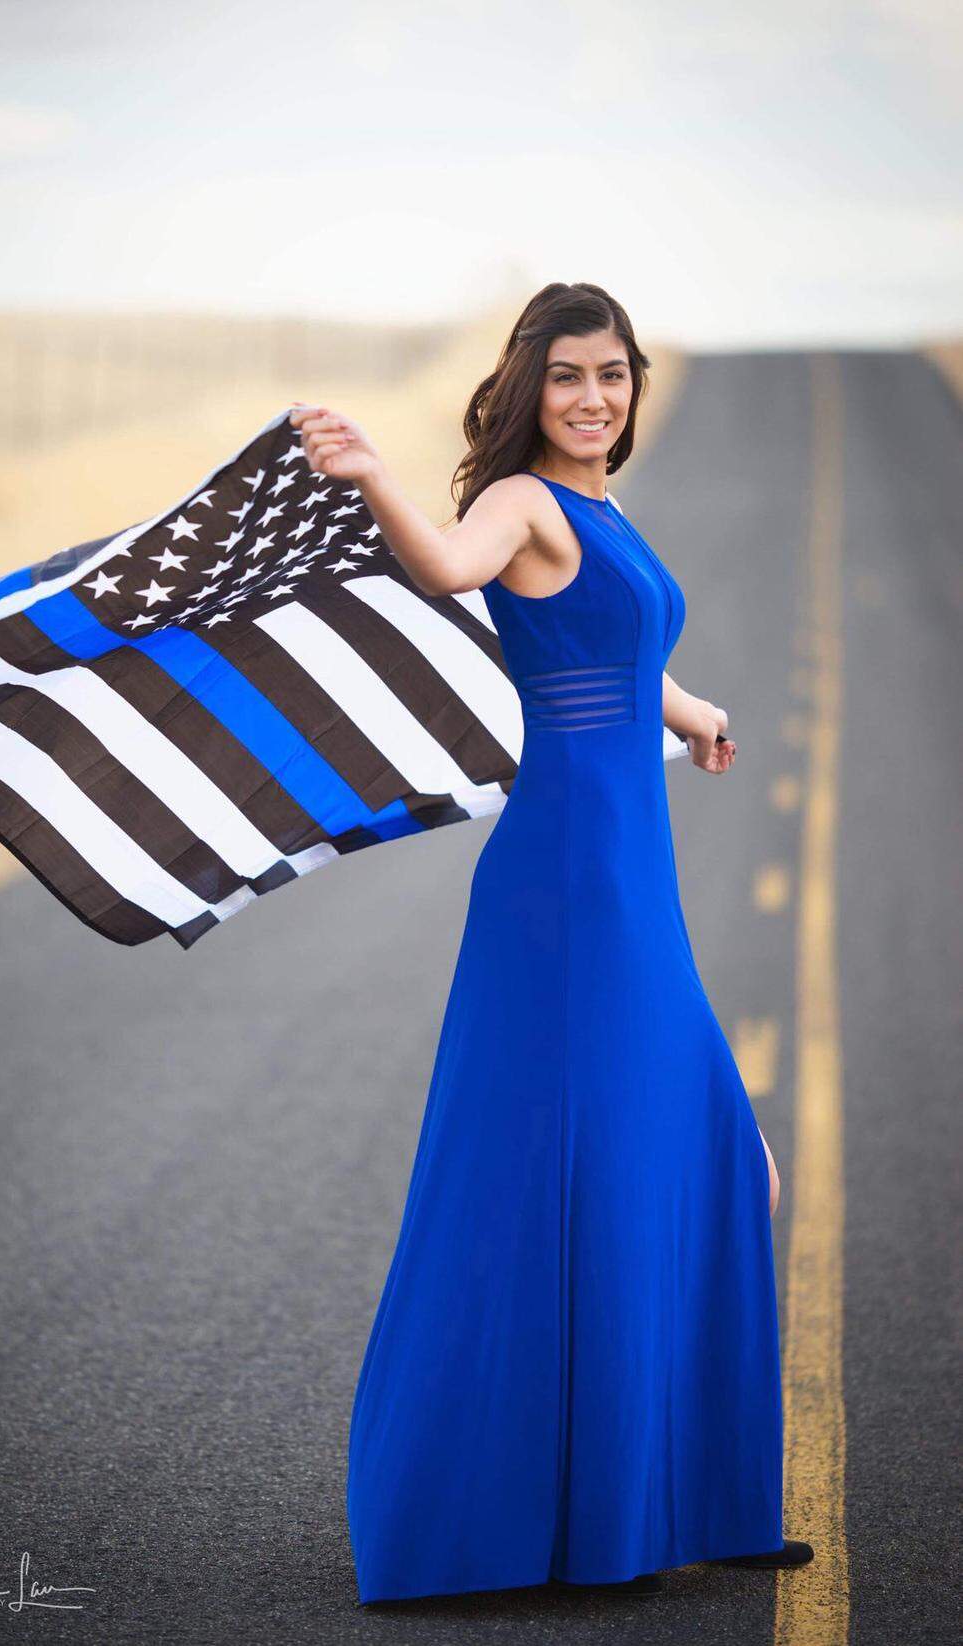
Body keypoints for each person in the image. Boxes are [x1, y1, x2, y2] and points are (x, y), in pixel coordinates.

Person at [289, 281, 813, 1605]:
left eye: (613, 375)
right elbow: (448, 567)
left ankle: (700, 1497)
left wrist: (688, 711)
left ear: (634, 387)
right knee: (630, 1164)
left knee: (711, 1159)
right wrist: (373, 475)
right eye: (569, 375)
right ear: (532, 386)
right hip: (573, 884)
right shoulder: (520, 502)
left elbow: (608, 657)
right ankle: (580, 1514)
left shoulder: (601, 510)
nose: (593, 397)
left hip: (625, 873)